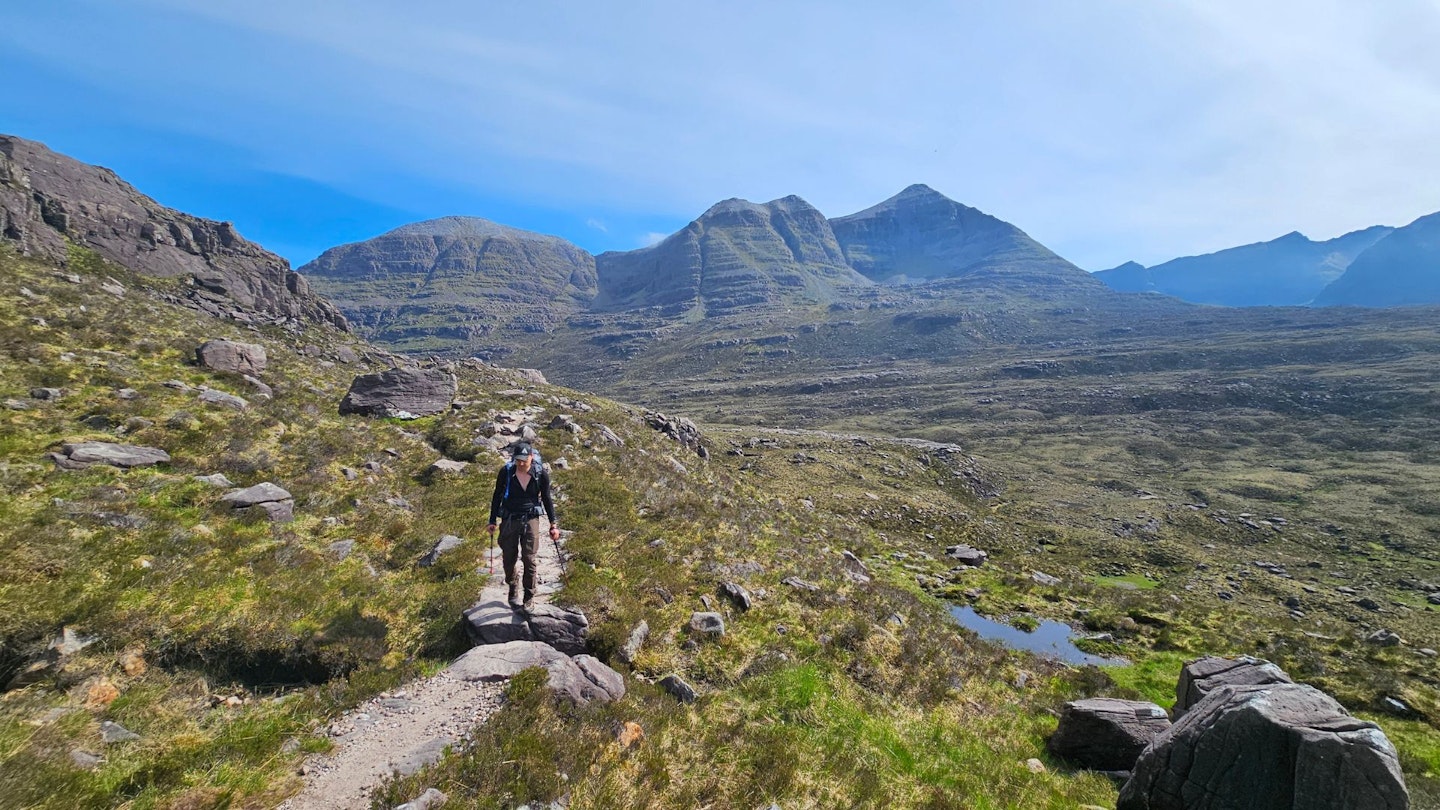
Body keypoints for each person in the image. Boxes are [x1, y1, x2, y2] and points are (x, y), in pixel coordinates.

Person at [487, 443, 559, 611]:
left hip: (530, 518)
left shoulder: (541, 474)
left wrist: (553, 523)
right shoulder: (506, 472)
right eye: (518, 460)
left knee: (529, 558)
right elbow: (497, 495)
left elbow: (547, 499)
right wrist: (492, 520)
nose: (521, 464)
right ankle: (512, 585)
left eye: (524, 460)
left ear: (531, 458)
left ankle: (529, 595)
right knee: (508, 558)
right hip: (509, 518)